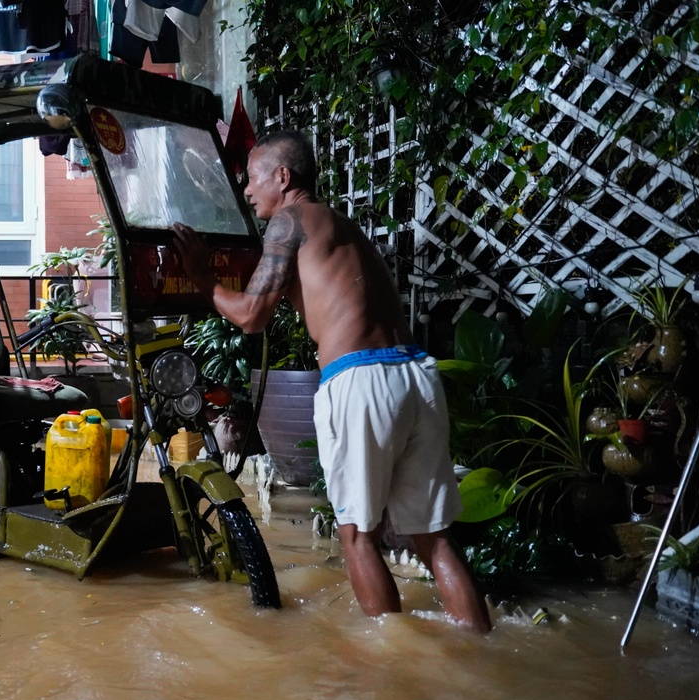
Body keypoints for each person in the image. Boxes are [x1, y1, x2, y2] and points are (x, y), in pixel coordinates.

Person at [170, 130, 492, 633]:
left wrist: (202, 278)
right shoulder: (343, 225)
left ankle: (389, 670)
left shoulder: (288, 221)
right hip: (415, 375)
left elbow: (253, 315)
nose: (247, 189)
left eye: (253, 178)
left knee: (357, 537)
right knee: (434, 538)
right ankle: (478, 651)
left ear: (282, 177)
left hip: (361, 381)